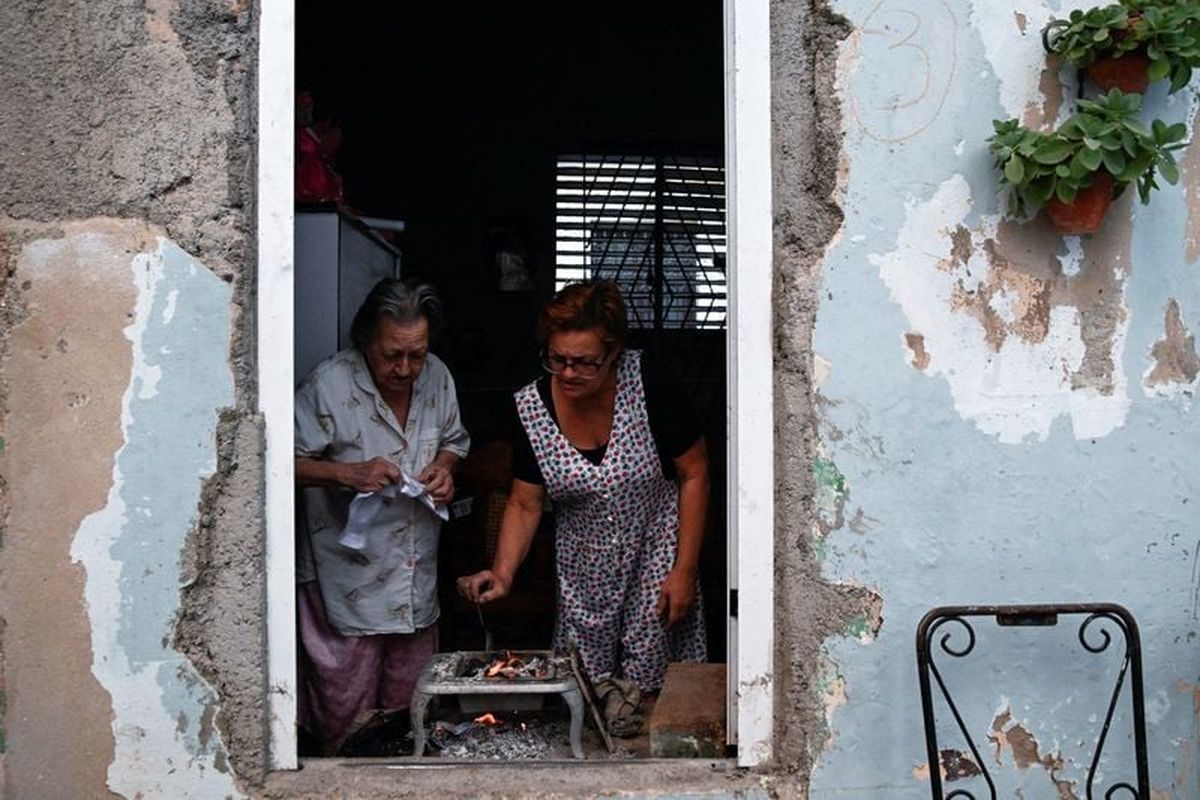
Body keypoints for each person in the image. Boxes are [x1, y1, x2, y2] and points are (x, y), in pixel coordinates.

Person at [460, 280, 708, 705]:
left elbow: (695, 473)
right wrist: (502, 573)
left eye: (585, 362)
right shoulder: (531, 406)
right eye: (558, 359)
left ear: (613, 353)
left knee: (653, 685)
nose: (569, 373)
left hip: (657, 553)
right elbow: (525, 501)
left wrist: (684, 571)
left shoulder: (648, 382)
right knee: (583, 691)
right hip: (583, 569)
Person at [294, 278, 469, 755]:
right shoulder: (328, 384)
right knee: (343, 712)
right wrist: (344, 473)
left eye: (417, 354)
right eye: (393, 355)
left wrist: (445, 470)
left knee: (407, 717)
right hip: (345, 581)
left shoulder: (437, 376)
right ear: (366, 340)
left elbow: (454, 441)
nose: (407, 368)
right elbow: (278, 464)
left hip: (414, 575)